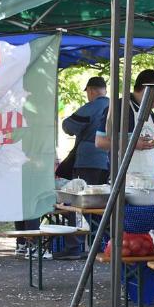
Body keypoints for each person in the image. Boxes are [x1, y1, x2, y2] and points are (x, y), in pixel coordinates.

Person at [55, 77, 111, 260]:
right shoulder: (116, 106)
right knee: (101, 205)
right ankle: (100, 243)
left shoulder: (93, 106)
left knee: (78, 203)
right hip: (109, 162)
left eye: (87, 92)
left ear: (92, 91)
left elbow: (69, 125)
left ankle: (74, 246)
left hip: (88, 161)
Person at [95, 69, 154, 179]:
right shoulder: (119, 107)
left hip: (149, 181)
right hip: (124, 182)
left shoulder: (152, 116)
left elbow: (144, 145)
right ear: (146, 89)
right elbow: (100, 142)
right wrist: (132, 144)